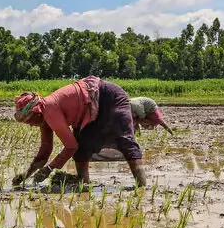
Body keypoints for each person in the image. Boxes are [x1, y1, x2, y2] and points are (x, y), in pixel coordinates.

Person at [11, 76, 147, 187]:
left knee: (124, 138)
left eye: (28, 121)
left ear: (36, 113)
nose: (30, 125)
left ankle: (141, 184)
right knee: (81, 146)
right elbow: (45, 151)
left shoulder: (49, 110)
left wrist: (49, 169)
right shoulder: (44, 117)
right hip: (86, 111)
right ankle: (84, 182)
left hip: (109, 96)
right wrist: (25, 175)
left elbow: (70, 146)